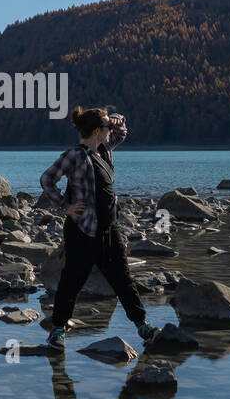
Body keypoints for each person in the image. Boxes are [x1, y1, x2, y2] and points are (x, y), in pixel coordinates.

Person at [39, 106, 158, 349]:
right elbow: (47, 179)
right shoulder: (74, 155)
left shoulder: (104, 150)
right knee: (72, 280)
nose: (111, 130)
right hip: (82, 229)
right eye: (107, 127)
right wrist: (65, 206)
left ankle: (143, 326)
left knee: (123, 279)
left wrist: (118, 118)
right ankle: (58, 332)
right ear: (96, 131)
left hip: (109, 228)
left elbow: (122, 133)